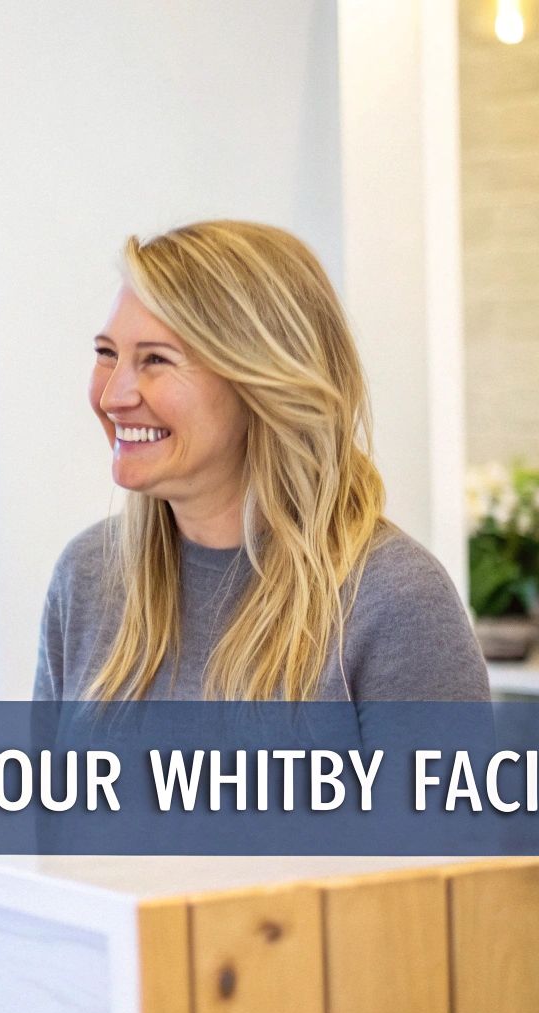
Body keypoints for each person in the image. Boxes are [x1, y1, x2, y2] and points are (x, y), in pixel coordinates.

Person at [35, 220, 488, 707]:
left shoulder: (393, 602)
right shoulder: (87, 577)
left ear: (262, 382)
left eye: (156, 360)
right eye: (107, 353)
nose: (113, 395)